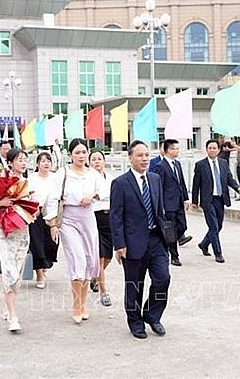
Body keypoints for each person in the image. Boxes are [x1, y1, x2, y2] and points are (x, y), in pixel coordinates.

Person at [110, 140, 171, 339]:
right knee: (135, 285)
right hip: (132, 243)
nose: (145, 159)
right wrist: (120, 245)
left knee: (163, 278)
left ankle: (153, 316)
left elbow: (159, 209)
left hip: (156, 240)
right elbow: (116, 217)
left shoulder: (154, 179)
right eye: (140, 155)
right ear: (130, 158)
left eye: (147, 155)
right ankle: (135, 321)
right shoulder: (120, 183)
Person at [44, 138, 101, 324]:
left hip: (88, 219)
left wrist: (92, 195)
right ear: (70, 155)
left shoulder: (93, 174)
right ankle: (76, 305)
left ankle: (83, 303)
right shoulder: (62, 173)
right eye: (77, 152)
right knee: (78, 259)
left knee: (89, 260)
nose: (81, 155)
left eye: (84, 152)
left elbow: (105, 192)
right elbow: (52, 198)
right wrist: (53, 224)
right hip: (69, 219)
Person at [0, 148, 36, 332]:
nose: (23, 163)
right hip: (4, 234)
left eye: (25, 159)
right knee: (9, 273)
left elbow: (35, 208)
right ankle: (13, 317)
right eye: (20, 159)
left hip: (22, 234)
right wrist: (1, 203)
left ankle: (7, 306)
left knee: (18, 276)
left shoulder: (27, 183)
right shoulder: (0, 182)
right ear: (11, 162)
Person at [191, 139, 240, 263]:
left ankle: (204, 244)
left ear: (218, 150)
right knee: (213, 226)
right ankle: (218, 253)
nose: (212, 150)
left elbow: (229, 178)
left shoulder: (223, 163)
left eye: (214, 148)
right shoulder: (200, 165)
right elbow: (195, 184)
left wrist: (237, 188)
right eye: (210, 148)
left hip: (220, 198)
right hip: (207, 200)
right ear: (206, 149)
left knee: (218, 226)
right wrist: (194, 201)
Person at [154, 139, 192, 266]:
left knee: (182, 226)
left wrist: (186, 198)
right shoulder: (160, 166)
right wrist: (161, 206)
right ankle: (174, 256)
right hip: (168, 204)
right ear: (167, 151)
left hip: (179, 202)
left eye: (177, 148)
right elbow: (158, 187)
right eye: (174, 148)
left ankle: (170, 242)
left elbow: (181, 182)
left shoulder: (177, 164)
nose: (177, 150)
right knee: (170, 231)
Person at [26, 152, 59, 289]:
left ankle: (45, 265)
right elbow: (29, 193)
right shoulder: (32, 178)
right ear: (37, 164)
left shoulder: (55, 178)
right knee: (37, 244)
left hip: (52, 214)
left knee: (52, 243)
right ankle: (39, 273)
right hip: (36, 213)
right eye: (43, 161)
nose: (46, 163)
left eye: (48, 161)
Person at [88, 150, 116, 306]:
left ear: (104, 161)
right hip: (94, 218)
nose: (97, 161)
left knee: (108, 256)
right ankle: (103, 291)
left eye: (99, 159)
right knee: (100, 256)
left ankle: (94, 277)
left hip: (110, 217)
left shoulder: (111, 179)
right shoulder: (87, 178)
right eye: (93, 159)